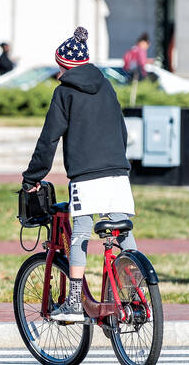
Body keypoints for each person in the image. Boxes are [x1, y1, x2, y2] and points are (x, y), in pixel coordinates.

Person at [21, 27, 136, 323]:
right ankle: (136, 296)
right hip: (118, 173)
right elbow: (122, 130)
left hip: (86, 178)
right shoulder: (107, 86)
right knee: (123, 233)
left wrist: (33, 177)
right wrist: (117, 162)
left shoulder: (64, 93)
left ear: (64, 65)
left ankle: (73, 303)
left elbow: (49, 139)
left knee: (80, 236)